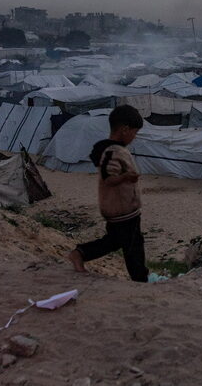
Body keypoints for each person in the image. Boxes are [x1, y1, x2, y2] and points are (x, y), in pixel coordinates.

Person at [68, 105, 148, 282]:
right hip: (122, 210)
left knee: (116, 241)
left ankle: (81, 253)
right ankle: (140, 280)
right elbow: (108, 178)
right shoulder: (113, 152)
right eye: (134, 133)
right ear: (125, 130)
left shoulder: (114, 150)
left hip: (123, 209)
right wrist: (126, 177)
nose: (134, 137)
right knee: (133, 247)